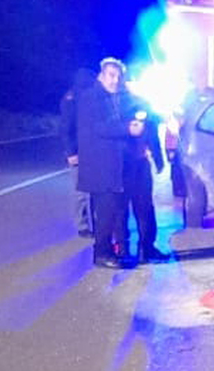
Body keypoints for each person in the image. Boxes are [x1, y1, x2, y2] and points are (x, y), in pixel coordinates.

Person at [77, 58, 141, 268]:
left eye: (117, 76)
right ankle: (101, 253)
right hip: (100, 166)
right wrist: (126, 129)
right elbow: (99, 127)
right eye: (111, 76)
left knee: (114, 211)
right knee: (104, 213)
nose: (115, 80)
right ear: (101, 76)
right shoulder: (91, 98)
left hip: (116, 166)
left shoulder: (117, 97)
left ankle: (113, 249)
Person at [120, 86, 170, 264]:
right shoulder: (123, 105)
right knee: (136, 209)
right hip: (127, 165)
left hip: (133, 165)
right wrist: (158, 159)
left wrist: (158, 159)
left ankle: (137, 249)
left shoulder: (122, 104)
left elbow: (153, 130)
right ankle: (138, 249)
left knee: (139, 209)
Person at [60, 68, 96, 237]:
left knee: (95, 190)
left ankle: (96, 224)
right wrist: (70, 152)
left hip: (93, 149)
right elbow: (66, 128)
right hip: (78, 151)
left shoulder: (90, 97)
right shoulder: (72, 99)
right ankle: (82, 226)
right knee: (80, 192)